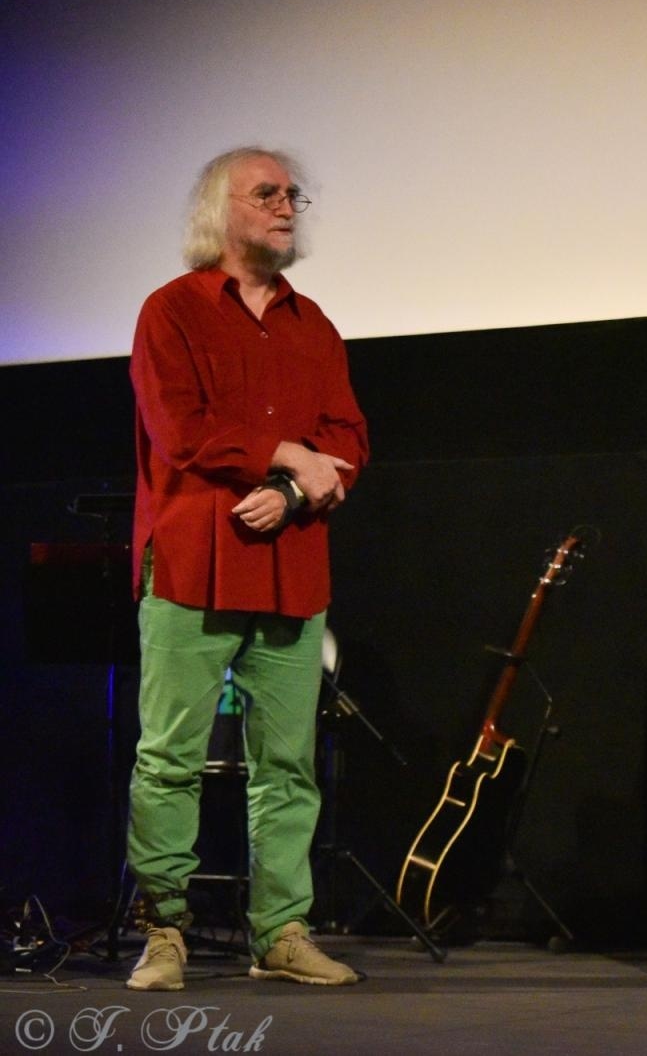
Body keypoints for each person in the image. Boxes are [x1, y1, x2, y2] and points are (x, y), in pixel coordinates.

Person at [124, 146, 369, 990]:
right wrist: (284, 455)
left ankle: (281, 932)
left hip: (289, 570)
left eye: (291, 193)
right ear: (218, 213)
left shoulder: (315, 324)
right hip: (194, 560)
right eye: (266, 193)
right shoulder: (173, 311)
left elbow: (350, 442)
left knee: (288, 765)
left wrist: (295, 494)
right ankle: (164, 931)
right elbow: (179, 427)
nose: (285, 204)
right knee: (170, 758)